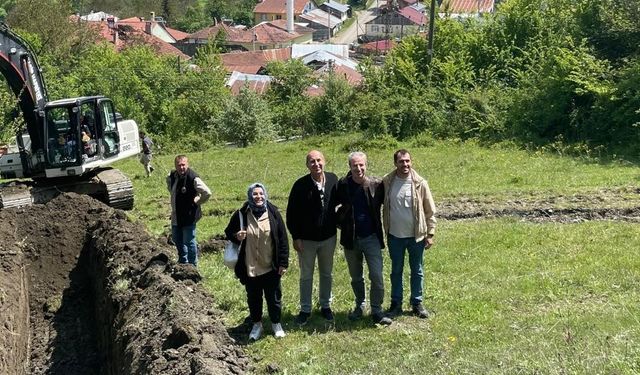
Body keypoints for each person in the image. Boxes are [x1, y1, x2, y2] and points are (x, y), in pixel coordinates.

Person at [225, 183, 289, 341]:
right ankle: (257, 324)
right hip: (250, 267)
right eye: (255, 194)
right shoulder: (241, 214)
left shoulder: (273, 213)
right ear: (250, 196)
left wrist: (283, 262)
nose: (258, 197)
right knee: (253, 297)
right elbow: (229, 232)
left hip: (270, 266)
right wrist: (237, 236)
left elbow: (282, 239)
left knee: (273, 297)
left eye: (261, 194)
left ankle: (276, 324)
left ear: (265, 195)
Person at [335, 151, 392, 325]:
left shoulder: (376, 184)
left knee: (377, 276)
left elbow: (390, 203)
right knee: (356, 276)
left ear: (366, 165)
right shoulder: (343, 185)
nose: (358, 168)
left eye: (361, 165)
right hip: (350, 239)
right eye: (354, 165)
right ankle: (360, 305)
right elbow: (333, 206)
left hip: (371, 237)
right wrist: (339, 221)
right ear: (349, 167)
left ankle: (376, 309)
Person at [382, 149, 436, 319]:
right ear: (395, 163)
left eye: (407, 161)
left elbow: (430, 210)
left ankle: (417, 303)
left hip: (416, 236)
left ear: (411, 162)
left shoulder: (420, 183)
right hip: (394, 236)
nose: (405, 164)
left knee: (417, 270)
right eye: (401, 161)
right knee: (396, 270)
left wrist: (430, 233)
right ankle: (395, 303)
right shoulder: (387, 182)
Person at [287, 150, 339, 325]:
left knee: (326, 273)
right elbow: (291, 213)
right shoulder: (300, 185)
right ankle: (305, 309)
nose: (316, 164)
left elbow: (340, 202)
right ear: (307, 165)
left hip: (328, 238)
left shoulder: (333, 180)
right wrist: (296, 237)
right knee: (306, 275)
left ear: (324, 161)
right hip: (306, 240)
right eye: (312, 162)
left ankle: (325, 306)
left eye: (318, 160)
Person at [166, 155, 211, 266]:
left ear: (187, 164)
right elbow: (170, 187)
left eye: (183, 165)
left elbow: (207, 192)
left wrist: (198, 201)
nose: (181, 167)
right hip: (176, 214)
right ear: (175, 166)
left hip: (189, 215)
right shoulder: (172, 176)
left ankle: (192, 265)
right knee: (176, 238)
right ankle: (183, 260)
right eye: (179, 165)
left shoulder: (193, 178)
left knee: (189, 241)